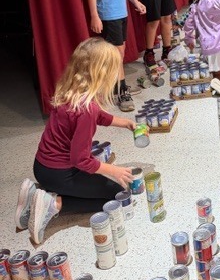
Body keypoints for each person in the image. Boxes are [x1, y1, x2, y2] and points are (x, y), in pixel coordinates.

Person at [15, 38, 135, 245]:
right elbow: (81, 160)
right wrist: (112, 170)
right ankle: (54, 203)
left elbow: (100, 115)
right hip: (61, 173)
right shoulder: (86, 110)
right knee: (115, 196)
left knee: (98, 185)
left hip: (42, 166)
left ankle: (35, 194)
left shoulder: (71, 92)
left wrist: (124, 123)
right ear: (102, 73)